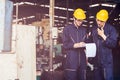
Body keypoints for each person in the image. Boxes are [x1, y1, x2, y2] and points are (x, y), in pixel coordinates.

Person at [91, 9, 118, 80]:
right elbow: (91, 43)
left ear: (105, 20)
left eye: (101, 21)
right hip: (96, 61)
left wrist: (103, 36)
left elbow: (113, 44)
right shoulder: (94, 29)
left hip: (107, 62)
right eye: (97, 20)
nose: (99, 22)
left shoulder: (111, 29)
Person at [62, 8, 87, 80]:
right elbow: (65, 45)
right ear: (74, 18)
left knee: (82, 77)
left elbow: (87, 42)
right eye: (79, 20)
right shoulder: (67, 29)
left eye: (82, 20)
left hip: (82, 59)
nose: (80, 22)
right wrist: (76, 45)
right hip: (72, 59)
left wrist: (86, 45)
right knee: (71, 77)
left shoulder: (84, 30)